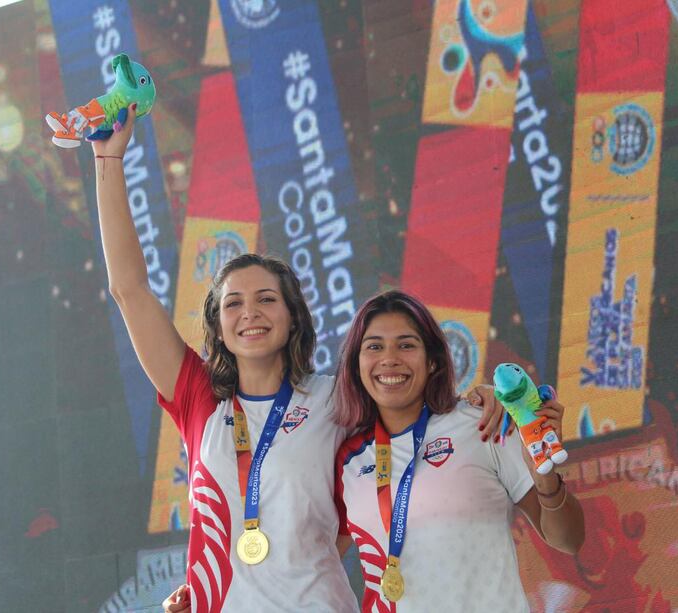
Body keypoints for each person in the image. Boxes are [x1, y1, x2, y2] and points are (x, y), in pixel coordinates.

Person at [92, 108, 504, 613]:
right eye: (233, 303)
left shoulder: (336, 396)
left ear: (293, 317)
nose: (250, 313)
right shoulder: (198, 398)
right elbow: (128, 290)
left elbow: (412, 404)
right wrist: (108, 157)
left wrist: (476, 399)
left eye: (266, 299)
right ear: (218, 325)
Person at [333, 290, 585, 612]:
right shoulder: (347, 460)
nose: (389, 358)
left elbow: (569, 539)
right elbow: (315, 558)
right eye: (374, 346)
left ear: (433, 360)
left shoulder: (481, 424)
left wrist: (545, 478)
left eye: (406, 344)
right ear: (356, 364)